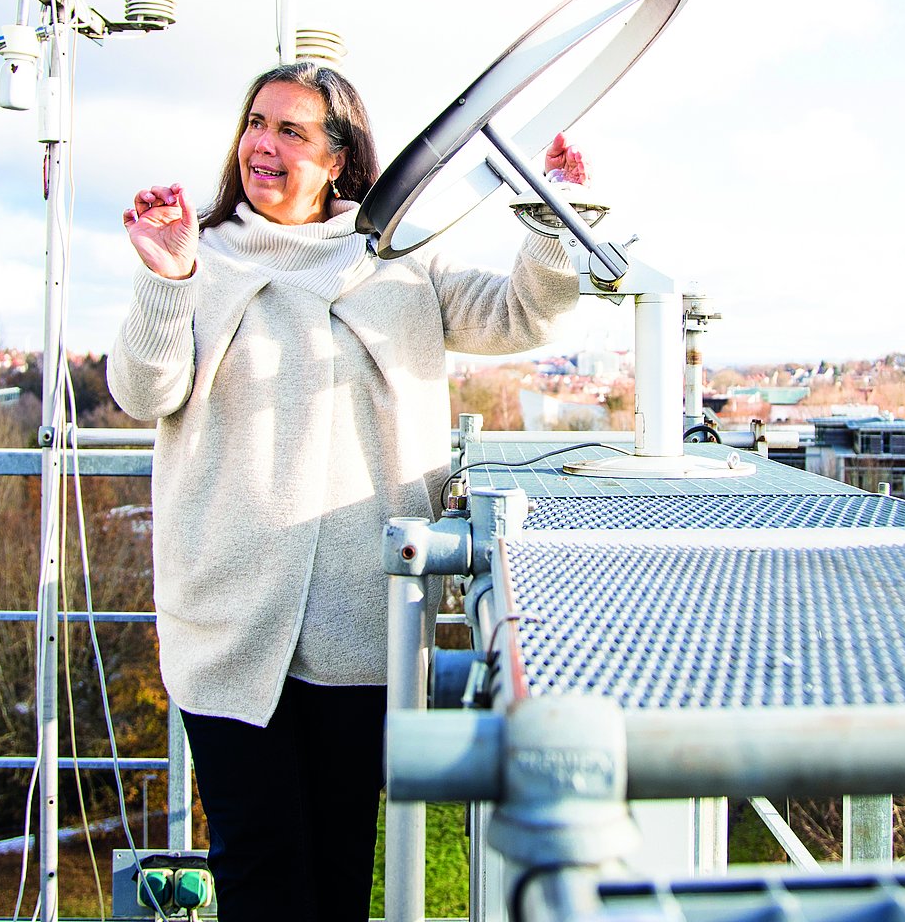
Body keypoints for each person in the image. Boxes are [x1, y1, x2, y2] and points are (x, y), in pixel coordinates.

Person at [106, 60, 585, 921]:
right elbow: (144, 394)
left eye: (291, 130)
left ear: (338, 156)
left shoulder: (400, 262)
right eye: (256, 122)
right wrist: (161, 279)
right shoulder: (202, 258)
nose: (262, 144)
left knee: (336, 881)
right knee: (260, 880)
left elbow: (522, 314)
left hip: (364, 628)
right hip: (225, 630)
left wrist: (554, 219)